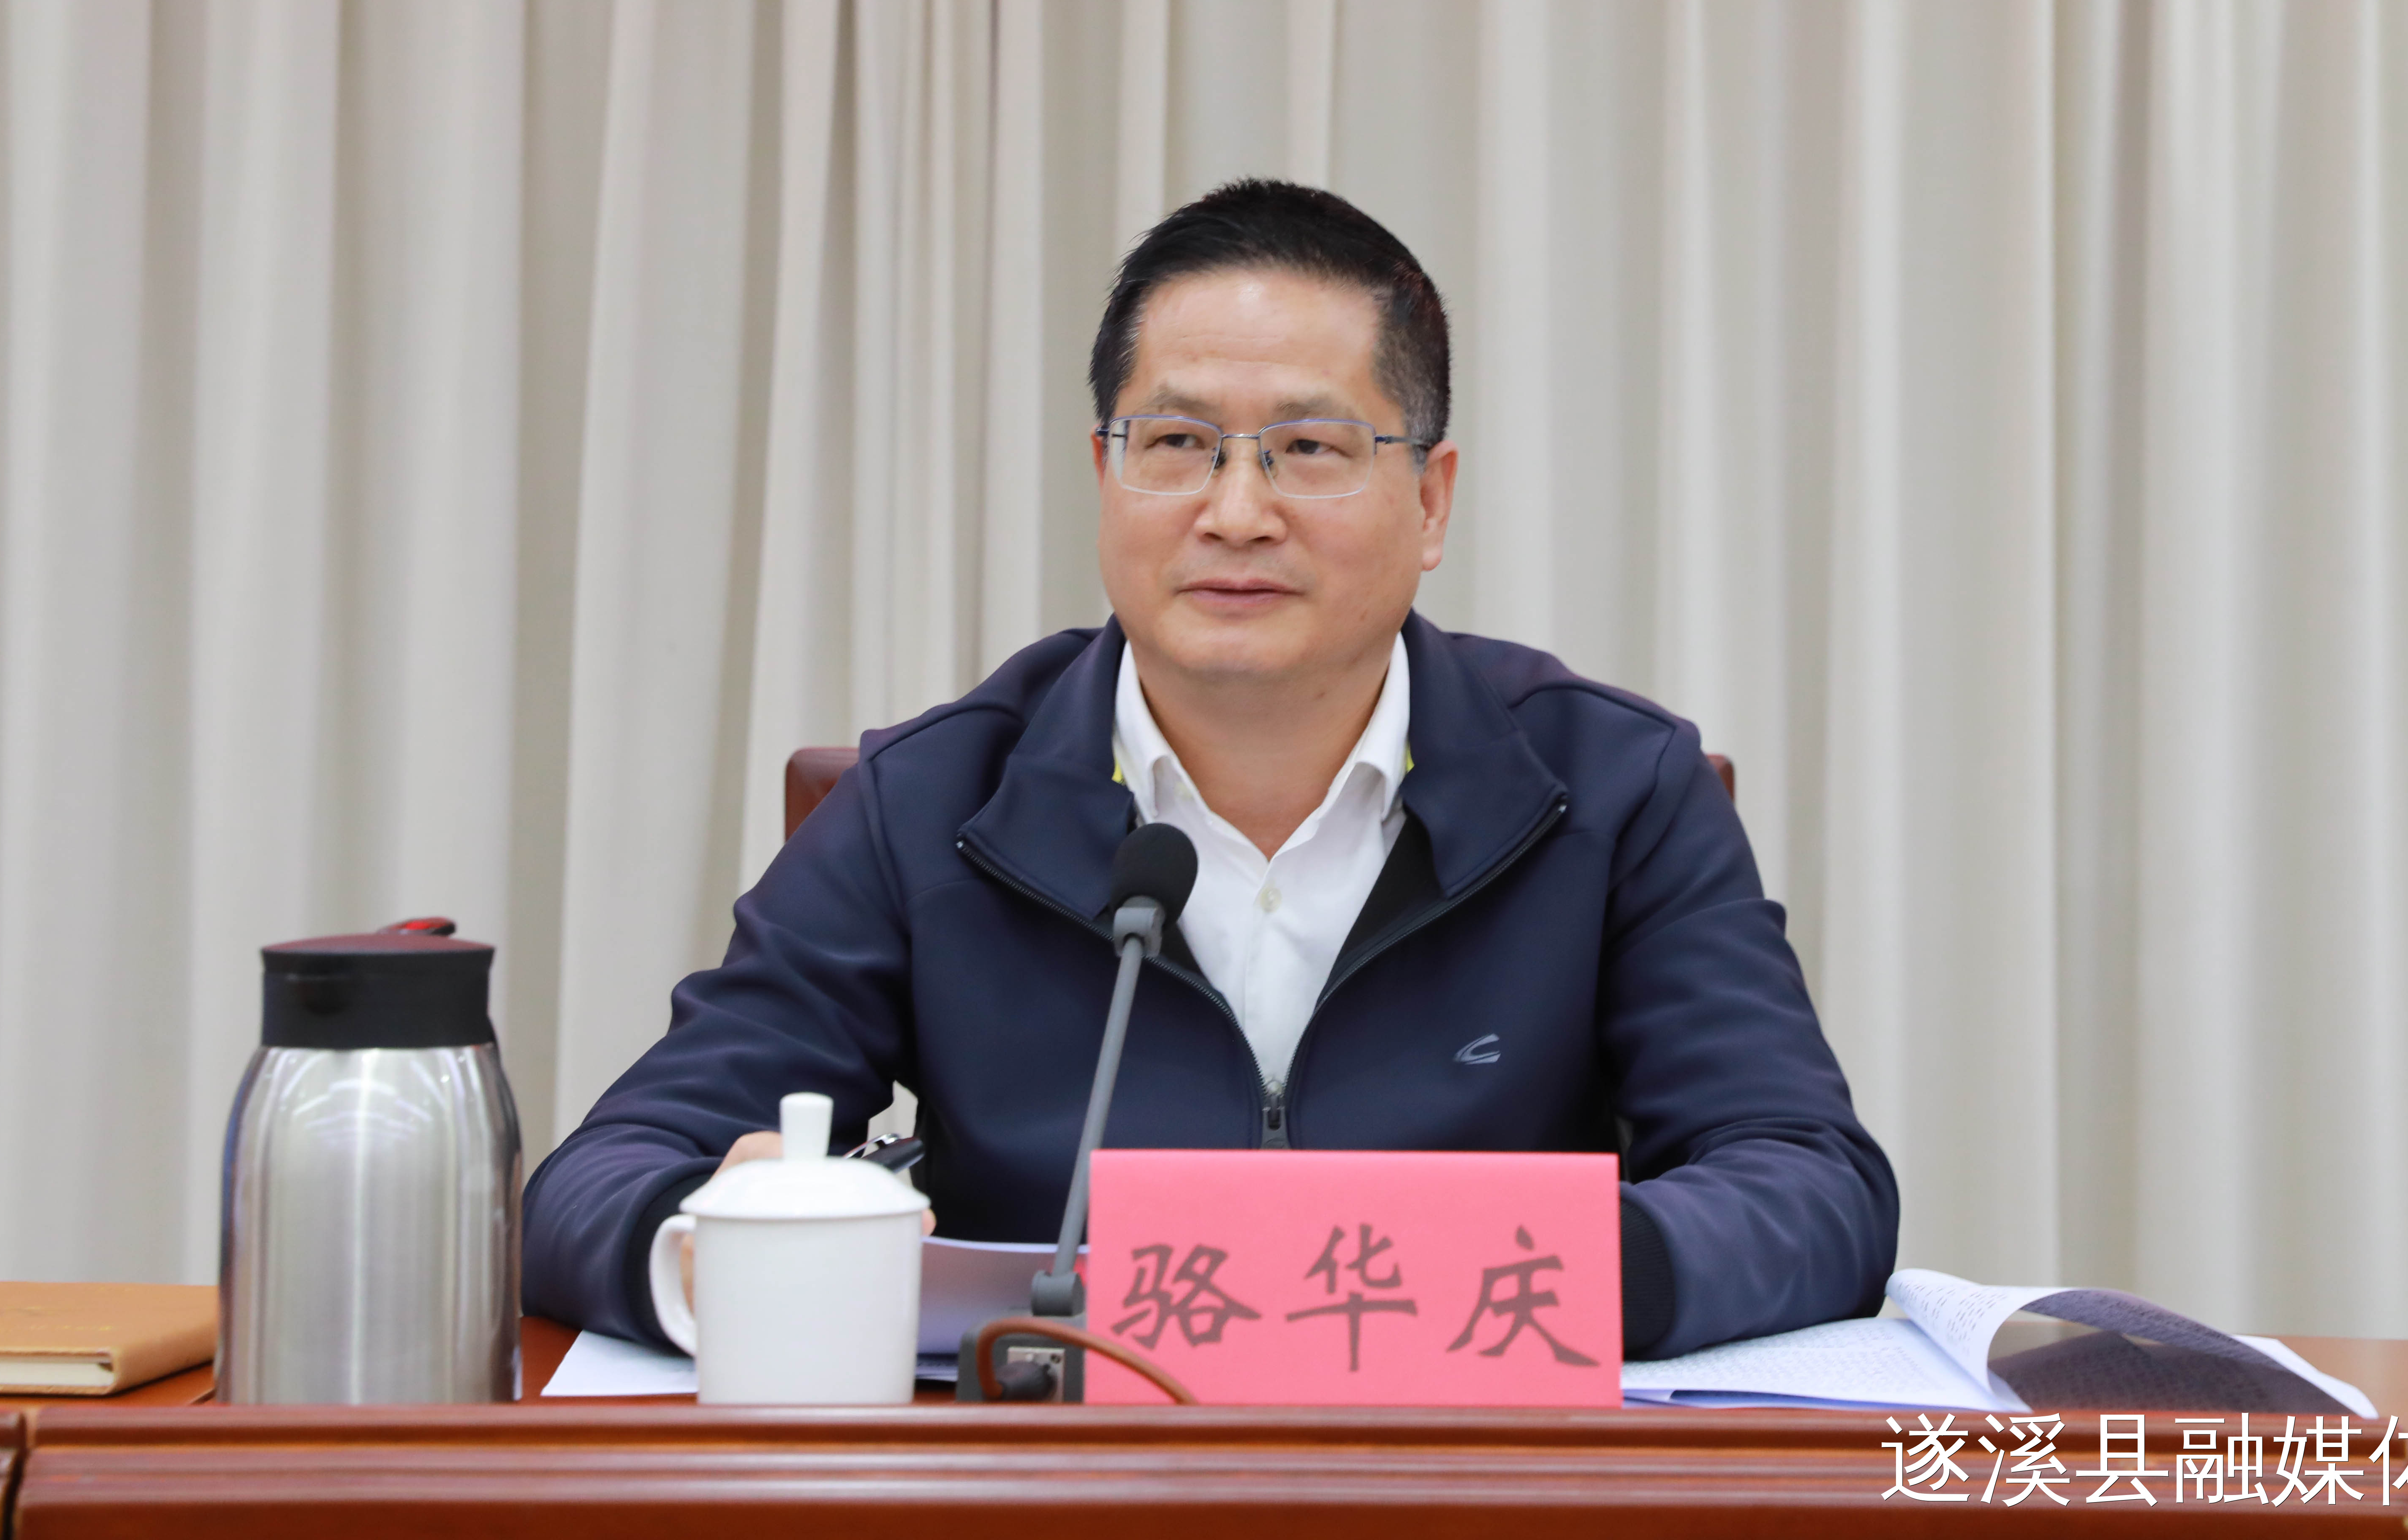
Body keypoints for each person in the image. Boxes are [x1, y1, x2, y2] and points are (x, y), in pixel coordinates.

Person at [521, 179, 1896, 1359]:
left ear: (1430, 501)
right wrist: (721, 1240)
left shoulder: (1609, 789)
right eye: (1177, 445)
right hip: (1060, 1485)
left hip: (1466, 1478)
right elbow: (597, 1185)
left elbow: (1810, 1186)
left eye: (1309, 450)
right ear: (1105, 474)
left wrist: (1503, 1286)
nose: (1236, 514)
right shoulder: (936, 802)